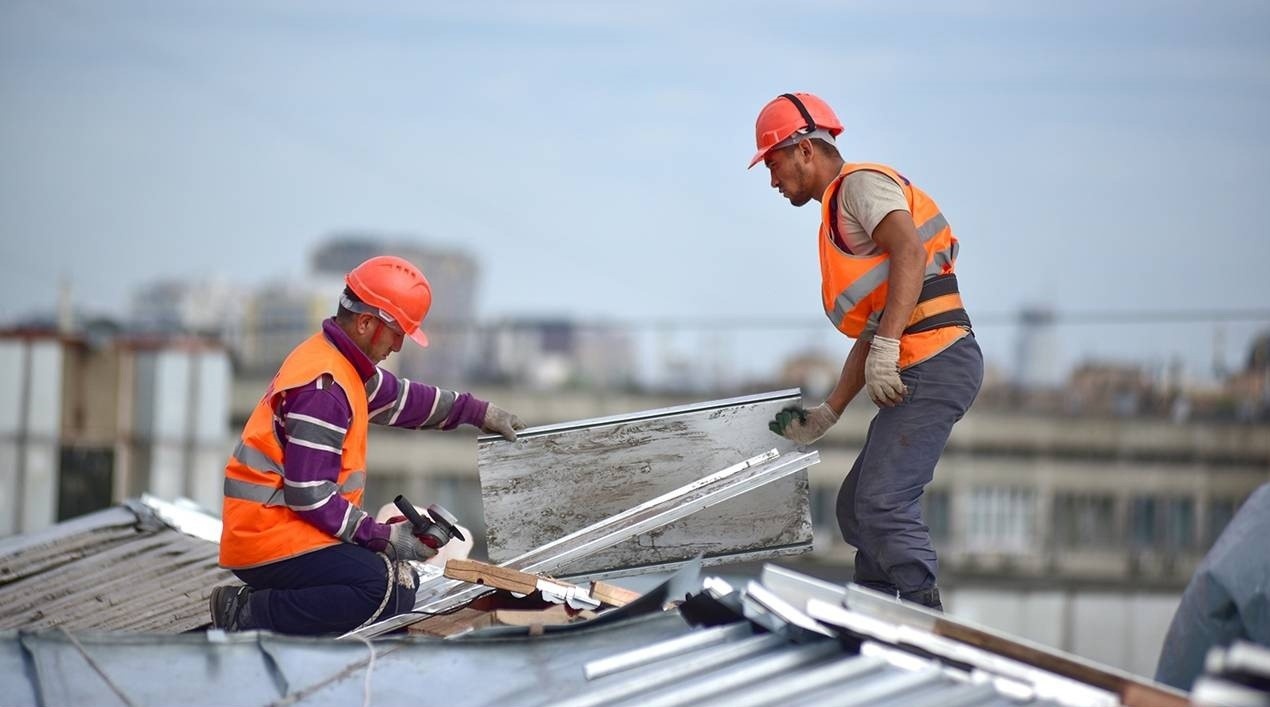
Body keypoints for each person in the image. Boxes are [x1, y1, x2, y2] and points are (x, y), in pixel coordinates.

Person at [209, 255, 525, 635]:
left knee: (398, 584)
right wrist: (384, 537)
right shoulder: (324, 388)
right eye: (397, 333)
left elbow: (405, 400)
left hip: (287, 529)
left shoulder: (340, 364)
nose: (398, 345)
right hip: (268, 539)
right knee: (381, 590)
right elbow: (310, 495)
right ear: (365, 323)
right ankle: (247, 614)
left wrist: (477, 411)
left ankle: (267, 608)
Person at [752, 92, 982, 610]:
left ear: (806, 150)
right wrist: (828, 413)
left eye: (773, 162)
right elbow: (878, 324)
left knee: (881, 503)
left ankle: (924, 618)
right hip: (923, 358)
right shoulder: (840, 212)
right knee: (856, 507)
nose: (771, 179)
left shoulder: (857, 187)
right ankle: (877, 608)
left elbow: (910, 249)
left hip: (936, 358)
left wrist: (888, 346)